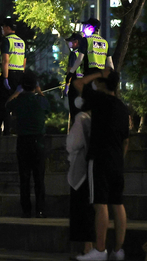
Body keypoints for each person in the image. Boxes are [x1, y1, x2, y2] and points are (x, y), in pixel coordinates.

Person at [74, 69, 129, 261]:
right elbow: (125, 141)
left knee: (100, 204)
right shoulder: (123, 108)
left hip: (100, 158)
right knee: (118, 204)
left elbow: (78, 84)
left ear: (104, 83)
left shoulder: (100, 100)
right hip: (117, 161)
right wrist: (120, 159)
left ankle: (99, 249)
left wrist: (97, 73)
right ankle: (119, 250)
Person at [6, 70, 49, 218]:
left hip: (23, 141)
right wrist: (39, 91)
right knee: (39, 177)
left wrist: (17, 93)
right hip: (39, 141)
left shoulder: (18, 101)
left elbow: (7, 106)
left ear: (22, 86)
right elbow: (46, 106)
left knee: (24, 177)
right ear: (35, 85)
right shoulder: (40, 100)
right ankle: (41, 209)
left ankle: (26, 210)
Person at [67, 107, 95, 257]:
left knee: (82, 209)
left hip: (82, 169)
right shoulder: (104, 116)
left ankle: (87, 247)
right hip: (99, 168)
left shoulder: (82, 119)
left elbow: (72, 144)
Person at [64, 32, 85, 126]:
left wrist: (66, 85)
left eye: (71, 41)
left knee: (74, 111)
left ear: (76, 42)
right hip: (84, 85)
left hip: (75, 84)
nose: (70, 43)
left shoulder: (74, 53)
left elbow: (70, 70)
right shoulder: (85, 53)